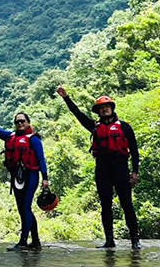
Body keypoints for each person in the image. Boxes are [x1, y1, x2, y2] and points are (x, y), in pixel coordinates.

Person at [56, 86, 141, 249]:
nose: (104, 110)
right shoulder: (94, 127)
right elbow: (78, 114)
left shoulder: (124, 127)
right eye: (101, 109)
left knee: (127, 204)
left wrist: (135, 172)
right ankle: (109, 240)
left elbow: (135, 151)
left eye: (106, 107)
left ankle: (135, 240)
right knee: (105, 205)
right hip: (102, 168)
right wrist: (66, 98)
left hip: (121, 167)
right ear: (98, 112)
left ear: (112, 108)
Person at [0, 108, 49, 251]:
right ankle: (36, 241)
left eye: (22, 121)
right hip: (17, 177)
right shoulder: (10, 136)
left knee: (25, 207)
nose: (20, 123)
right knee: (23, 209)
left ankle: (23, 242)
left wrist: (45, 178)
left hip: (31, 175)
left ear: (28, 122)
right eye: (17, 121)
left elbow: (41, 159)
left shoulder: (34, 139)